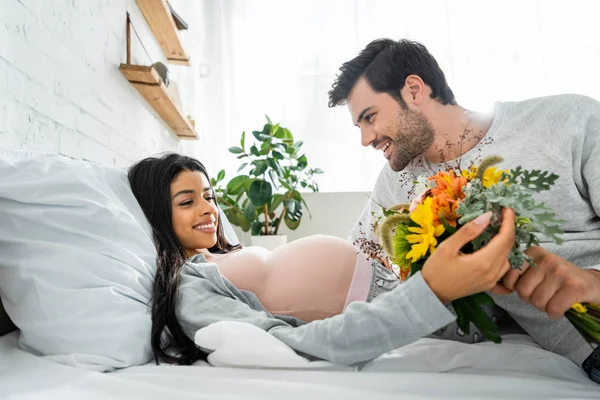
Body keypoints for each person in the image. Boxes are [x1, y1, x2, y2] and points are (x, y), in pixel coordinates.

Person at [327, 38, 600, 372]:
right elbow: (351, 270)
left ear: (414, 89)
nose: (365, 139)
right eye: (359, 126)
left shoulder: (567, 120)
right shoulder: (395, 183)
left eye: (370, 117)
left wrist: (594, 283)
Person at [127, 153, 516, 366]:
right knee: (518, 297)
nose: (207, 209)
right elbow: (280, 340)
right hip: (389, 308)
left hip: (395, 283)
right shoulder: (188, 286)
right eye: (187, 202)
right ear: (159, 213)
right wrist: (423, 295)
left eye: (209, 197)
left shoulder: (224, 253)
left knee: (515, 267)